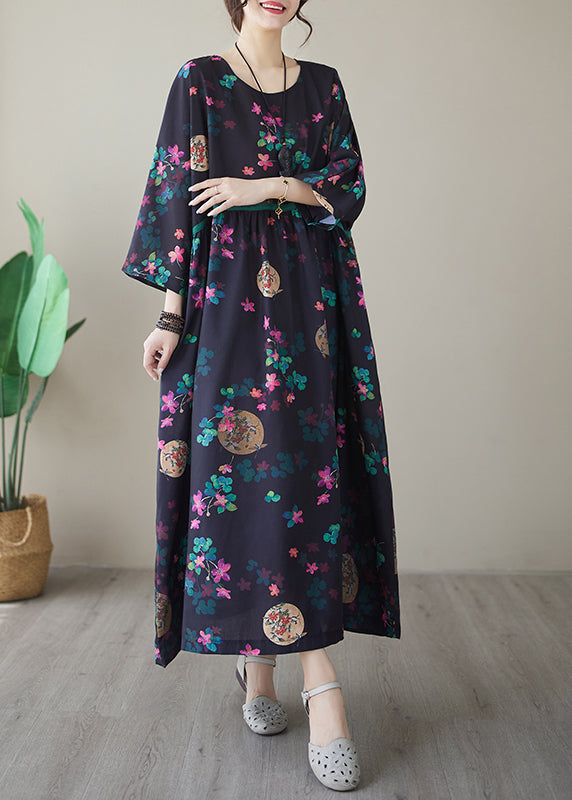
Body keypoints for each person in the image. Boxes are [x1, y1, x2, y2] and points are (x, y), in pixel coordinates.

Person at [121, 0, 401, 791]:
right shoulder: (199, 81)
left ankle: (309, 678)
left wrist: (264, 186)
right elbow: (176, 204)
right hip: (223, 310)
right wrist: (168, 318)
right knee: (241, 483)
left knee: (303, 483)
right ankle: (276, 670)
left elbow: (346, 187)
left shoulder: (325, 86)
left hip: (312, 309)